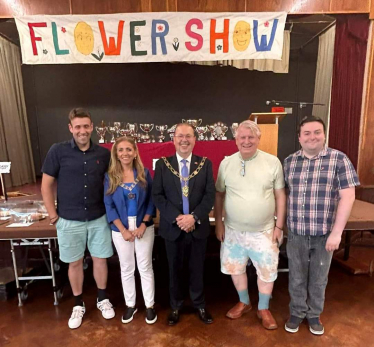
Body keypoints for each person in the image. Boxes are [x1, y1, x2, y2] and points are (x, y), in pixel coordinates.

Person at [283, 116, 359, 335]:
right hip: (296, 233)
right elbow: (284, 195)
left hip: (325, 234)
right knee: (296, 276)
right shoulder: (289, 162)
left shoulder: (339, 159)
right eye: (306, 133)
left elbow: (348, 197)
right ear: (299, 137)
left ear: (324, 134)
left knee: (318, 278)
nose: (312, 137)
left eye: (317, 132)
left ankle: (314, 314)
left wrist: (337, 233)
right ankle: (297, 312)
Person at [41, 108, 115, 329]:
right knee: (74, 263)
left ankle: (102, 299)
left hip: (98, 217)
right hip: (69, 219)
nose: (82, 131)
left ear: (92, 127)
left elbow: (114, 183)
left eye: (86, 126)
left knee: (100, 259)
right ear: (70, 128)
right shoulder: (58, 151)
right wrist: (52, 214)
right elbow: (46, 184)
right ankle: (77, 304)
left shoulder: (103, 154)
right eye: (78, 126)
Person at [215, 120, 286, 330]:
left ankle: (263, 308)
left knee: (266, 270)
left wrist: (279, 226)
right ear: (236, 140)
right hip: (233, 231)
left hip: (264, 231)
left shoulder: (273, 162)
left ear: (258, 139)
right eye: (242, 137)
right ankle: (244, 302)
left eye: (251, 137)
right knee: (235, 269)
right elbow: (219, 196)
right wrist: (219, 224)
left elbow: (280, 196)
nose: (246, 141)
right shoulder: (226, 163)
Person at [152, 123, 215, 326]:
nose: (184, 140)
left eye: (188, 136)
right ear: (174, 139)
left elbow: (209, 195)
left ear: (195, 139)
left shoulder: (205, 164)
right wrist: (178, 218)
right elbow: (158, 196)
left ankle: (199, 304)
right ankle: (176, 306)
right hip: (173, 227)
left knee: (198, 269)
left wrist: (193, 217)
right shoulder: (162, 164)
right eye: (180, 136)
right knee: (173, 269)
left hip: (197, 227)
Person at [104, 136, 157, 325]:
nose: (125, 153)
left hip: (144, 227)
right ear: (116, 154)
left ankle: (150, 306)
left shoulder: (145, 173)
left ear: (135, 152)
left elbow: (152, 201)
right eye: (121, 150)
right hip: (121, 229)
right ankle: (130, 305)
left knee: (145, 267)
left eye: (128, 149)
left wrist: (143, 224)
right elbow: (109, 206)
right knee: (126, 267)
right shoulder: (110, 177)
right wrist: (123, 230)